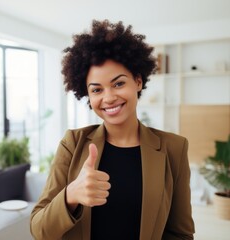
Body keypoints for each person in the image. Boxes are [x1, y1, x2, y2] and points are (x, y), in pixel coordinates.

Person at [30, 20, 195, 240]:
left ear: (137, 81)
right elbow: (39, 230)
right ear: (88, 95)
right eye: (97, 90)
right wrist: (71, 195)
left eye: (118, 84)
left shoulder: (174, 148)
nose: (108, 98)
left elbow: (180, 233)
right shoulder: (72, 143)